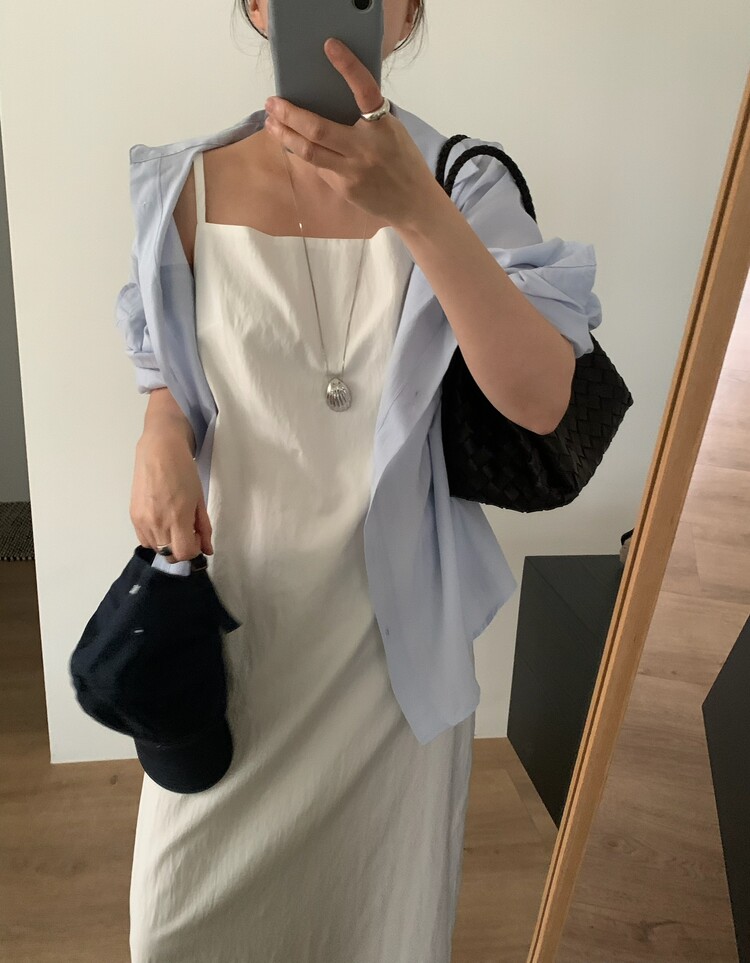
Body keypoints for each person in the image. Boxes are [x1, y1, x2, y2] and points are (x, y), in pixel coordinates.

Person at [125, 1, 600, 960]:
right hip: (237, 634)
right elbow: (164, 365)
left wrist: (417, 208)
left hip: (392, 664)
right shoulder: (182, 187)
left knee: (379, 932)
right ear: (256, 5)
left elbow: (544, 397)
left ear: (409, 10)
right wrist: (161, 427)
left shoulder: (465, 182)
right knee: (180, 927)